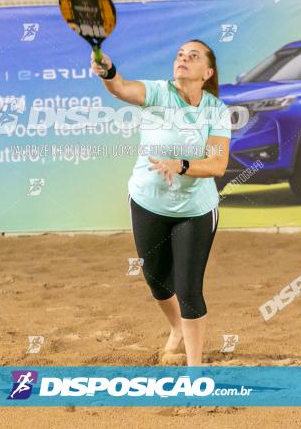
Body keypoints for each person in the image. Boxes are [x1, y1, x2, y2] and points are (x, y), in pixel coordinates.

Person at [91, 40, 232, 366]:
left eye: (193, 56)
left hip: (194, 211)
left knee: (188, 290)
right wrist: (107, 71)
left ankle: (194, 373)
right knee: (156, 280)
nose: (183, 59)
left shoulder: (215, 110)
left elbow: (217, 165)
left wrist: (180, 165)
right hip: (147, 202)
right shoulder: (157, 92)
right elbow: (121, 88)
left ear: (207, 72)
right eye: (180, 54)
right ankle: (176, 329)